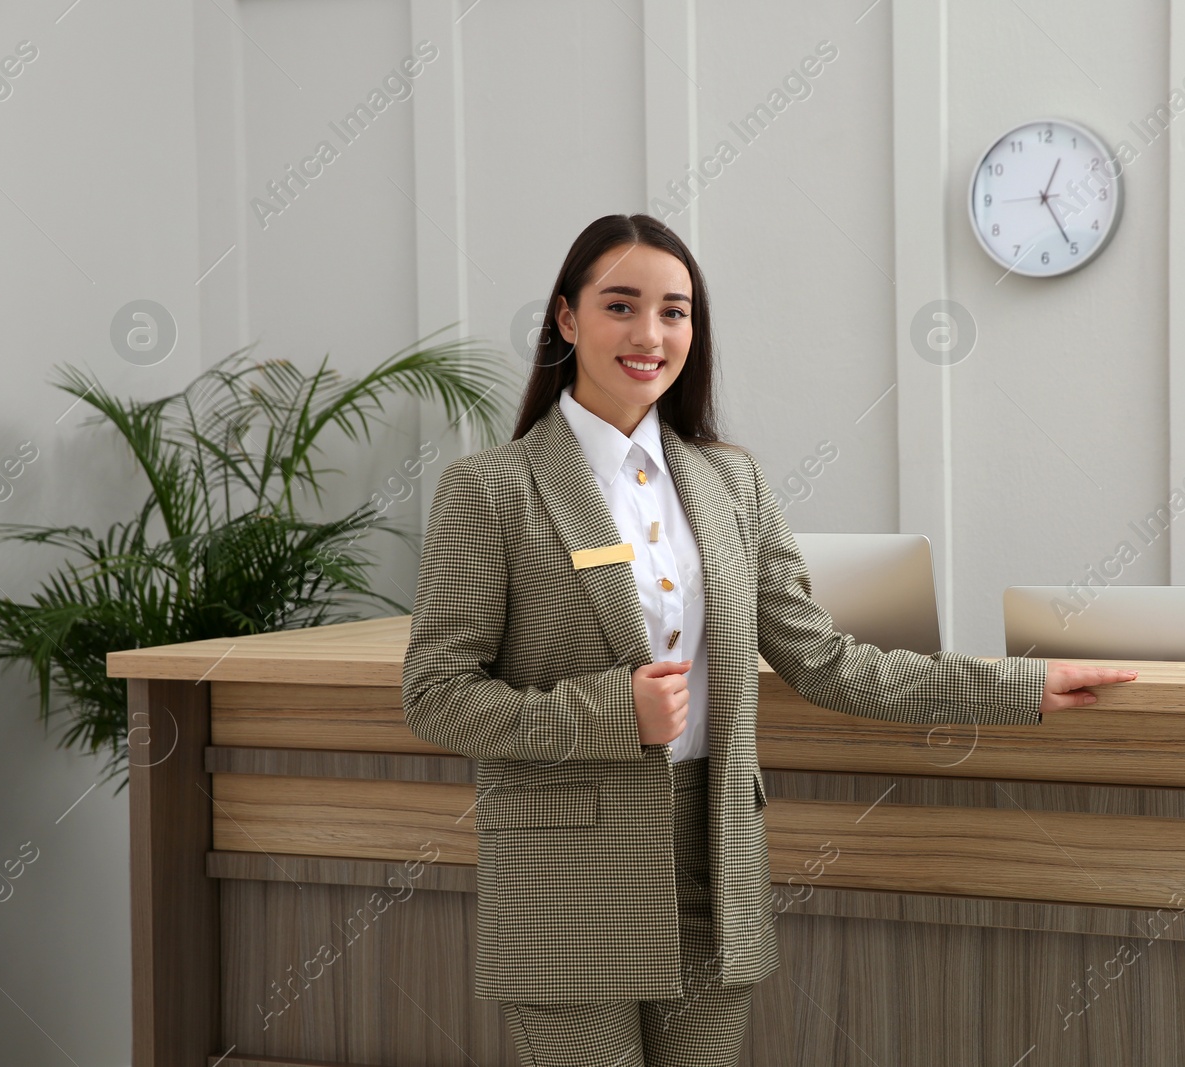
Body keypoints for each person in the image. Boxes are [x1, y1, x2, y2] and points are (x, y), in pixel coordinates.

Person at [400, 212, 1138, 1067]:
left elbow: (827, 660)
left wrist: (1018, 686)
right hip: (569, 878)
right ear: (566, 319)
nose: (650, 334)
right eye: (621, 306)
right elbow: (437, 694)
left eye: (675, 311)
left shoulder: (729, 479)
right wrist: (610, 710)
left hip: (718, 853)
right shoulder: (490, 488)